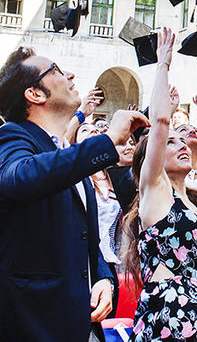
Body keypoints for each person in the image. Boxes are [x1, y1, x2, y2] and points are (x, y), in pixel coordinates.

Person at [0, 47, 149, 341]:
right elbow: (22, 177)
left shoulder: (63, 151)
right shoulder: (10, 137)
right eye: (55, 70)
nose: (70, 75)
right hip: (25, 323)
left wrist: (102, 275)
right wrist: (108, 139)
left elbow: (81, 234)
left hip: (71, 321)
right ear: (35, 94)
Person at [124, 28, 197, 342]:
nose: (182, 144)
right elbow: (158, 123)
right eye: (170, 143)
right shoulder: (155, 189)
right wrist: (163, 65)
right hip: (167, 312)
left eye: (183, 140)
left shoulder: (195, 201)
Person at [76, 120, 125, 314]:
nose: (92, 132)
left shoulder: (116, 176)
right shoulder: (75, 177)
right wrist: (80, 116)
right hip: (84, 259)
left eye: (96, 130)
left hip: (110, 262)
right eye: (85, 130)